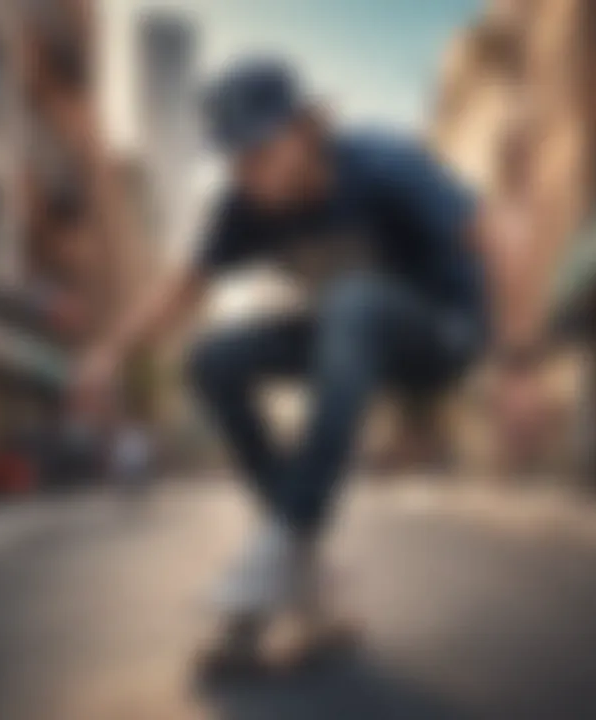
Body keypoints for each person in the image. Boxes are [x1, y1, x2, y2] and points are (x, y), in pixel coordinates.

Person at [73, 57, 542, 666]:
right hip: (350, 338)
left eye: (260, 152)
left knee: (352, 302)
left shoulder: (380, 163)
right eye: (236, 161)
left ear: (303, 128)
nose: (250, 176)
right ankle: (301, 559)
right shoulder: (243, 207)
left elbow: (503, 231)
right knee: (214, 357)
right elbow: (181, 288)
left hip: (442, 334)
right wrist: (109, 352)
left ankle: (286, 538)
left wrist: (520, 367)